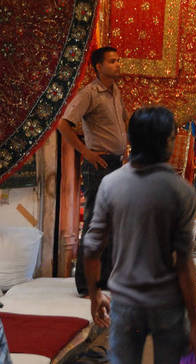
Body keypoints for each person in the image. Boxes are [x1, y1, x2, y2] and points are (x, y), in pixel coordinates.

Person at [83, 106, 196, 364]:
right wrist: (195, 323)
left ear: (130, 140)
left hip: (126, 304)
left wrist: (95, 294)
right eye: (172, 137)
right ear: (165, 143)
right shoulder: (181, 191)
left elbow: (92, 247)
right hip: (167, 306)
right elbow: (184, 263)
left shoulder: (111, 184)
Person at [57, 46, 128, 295]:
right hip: (98, 165)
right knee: (95, 223)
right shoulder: (90, 93)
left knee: (111, 222)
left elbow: (122, 121)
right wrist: (85, 152)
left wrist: (125, 148)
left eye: (118, 60)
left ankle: (105, 279)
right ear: (99, 67)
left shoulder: (116, 91)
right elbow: (64, 125)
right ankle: (86, 284)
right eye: (112, 61)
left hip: (115, 163)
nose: (118, 64)